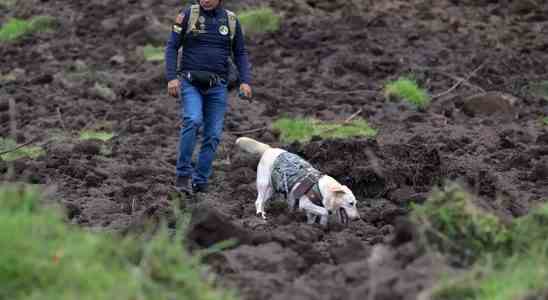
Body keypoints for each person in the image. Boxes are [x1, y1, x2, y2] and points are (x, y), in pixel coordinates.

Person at [165, 0, 252, 194]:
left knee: (213, 134)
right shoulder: (188, 15)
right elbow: (171, 47)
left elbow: (240, 53)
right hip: (190, 82)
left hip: (217, 86)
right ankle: (183, 176)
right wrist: (172, 78)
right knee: (192, 120)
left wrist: (245, 81)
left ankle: (200, 181)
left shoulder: (230, 20)